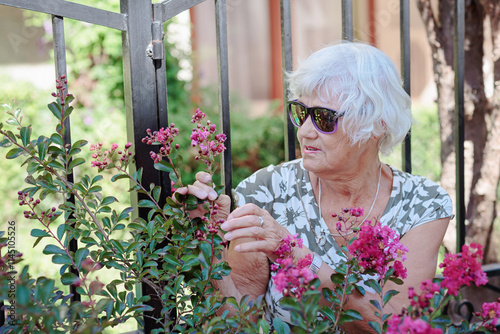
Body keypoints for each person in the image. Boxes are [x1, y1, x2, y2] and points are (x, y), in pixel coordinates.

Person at [175, 41, 453, 333]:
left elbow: (394, 325)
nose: (305, 131)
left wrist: (292, 253)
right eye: (300, 112)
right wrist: (210, 246)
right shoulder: (266, 191)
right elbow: (237, 321)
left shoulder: (423, 205)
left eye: (323, 118)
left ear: (376, 124)